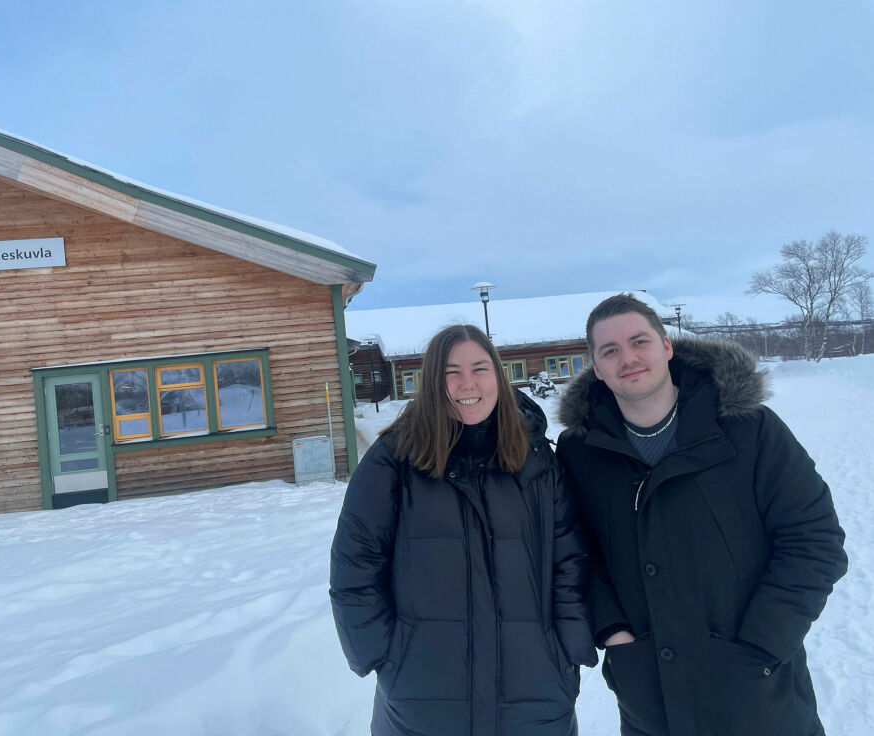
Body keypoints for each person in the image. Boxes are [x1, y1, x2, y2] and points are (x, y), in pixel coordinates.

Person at [555, 293, 848, 736]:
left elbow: (815, 538)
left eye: (640, 342)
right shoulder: (582, 451)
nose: (628, 358)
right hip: (650, 697)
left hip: (758, 690)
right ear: (596, 367)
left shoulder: (749, 428)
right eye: (609, 351)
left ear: (667, 346)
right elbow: (580, 554)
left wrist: (764, 643)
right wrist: (615, 634)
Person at [330, 324, 597, 736]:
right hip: (423, 695)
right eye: (451, 372)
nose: (466, 384)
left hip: (536, 690)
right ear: (433, 382)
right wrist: (386, 658)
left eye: (480, 368)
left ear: (499, 376)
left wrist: (566, 651)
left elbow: (570, 562)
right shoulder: (395, 460)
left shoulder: (538, 459)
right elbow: (355, 566)